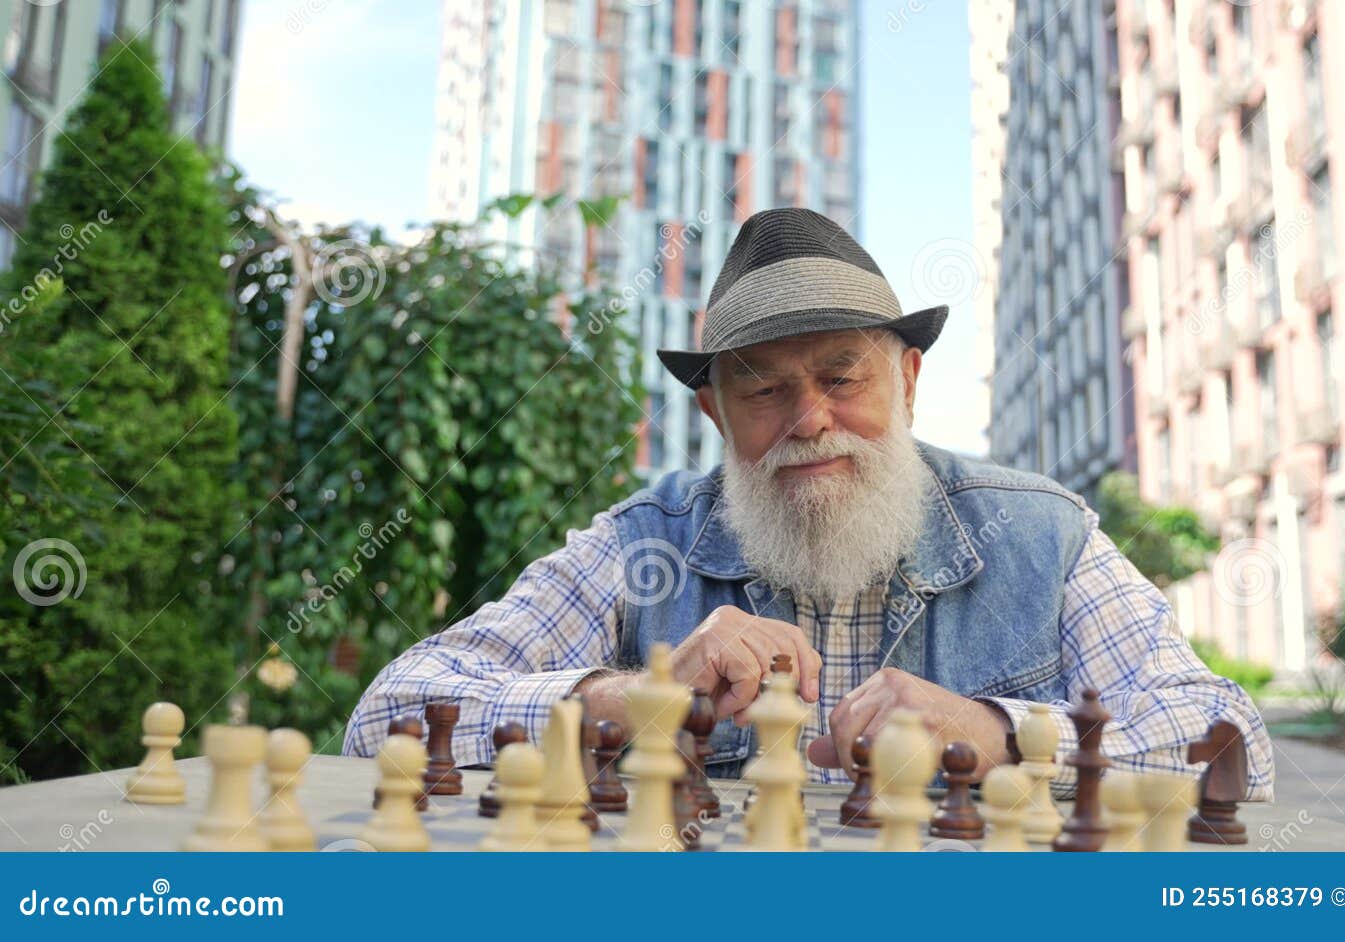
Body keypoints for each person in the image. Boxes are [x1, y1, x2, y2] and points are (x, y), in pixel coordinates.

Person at [345, 208, 1274, 799]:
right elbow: (388, 712)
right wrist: (633, 696)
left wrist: (999, 732)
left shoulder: (1039, 531)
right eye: (764, 392)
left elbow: (1228, 735)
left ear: (907, 379)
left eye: (843, 376)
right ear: (715, 412)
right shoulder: (644, 542)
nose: (811, 421)